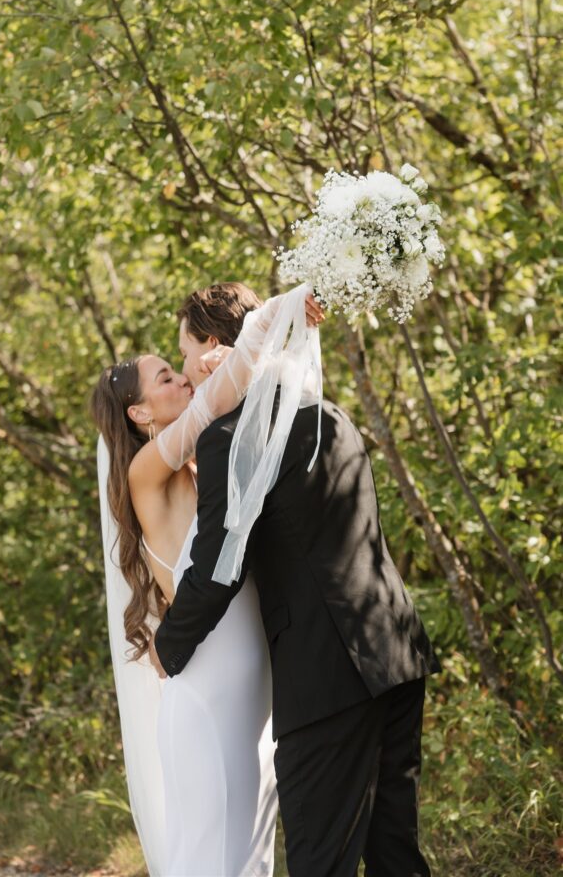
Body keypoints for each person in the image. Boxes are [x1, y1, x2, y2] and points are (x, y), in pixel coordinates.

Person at [150, 282, 441, 877]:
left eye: (183, 350)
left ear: (212, 345)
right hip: (398, 652)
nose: (183, 368)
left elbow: (217, 568)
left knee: (320, 860)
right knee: (395, 854)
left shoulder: (233, 440)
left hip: (327, 677)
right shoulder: (326, 412)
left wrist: (168, 645)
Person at [91, 284, 324, 877]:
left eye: (176, 368)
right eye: (164, 377)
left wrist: (287, 337)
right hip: (205, 696)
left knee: (252, 859)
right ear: (139, 414)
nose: (179, 380)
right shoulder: (147, 471)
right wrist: (276, 311)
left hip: (254, 698)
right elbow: (212, 400)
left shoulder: (210, 460)